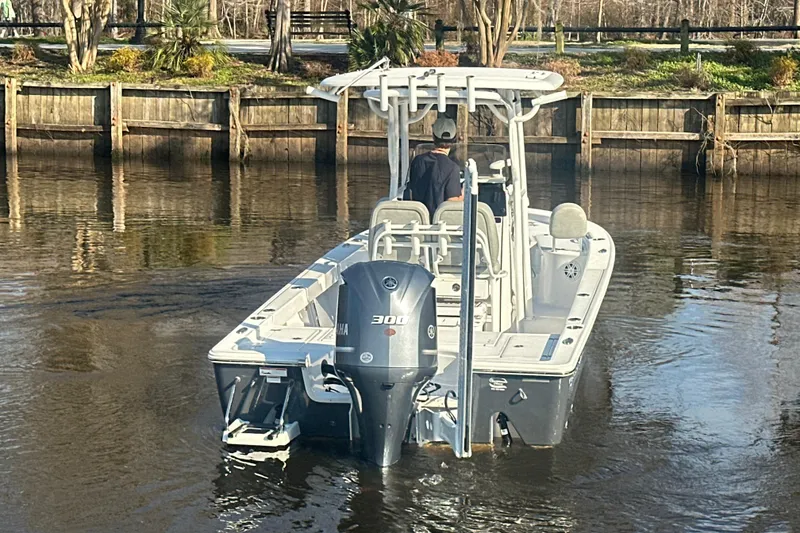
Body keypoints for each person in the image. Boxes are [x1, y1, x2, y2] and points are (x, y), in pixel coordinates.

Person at [405, 115, 463, 218]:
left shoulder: (417, 161)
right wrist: (464, 193)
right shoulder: (453, 168)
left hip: (418, 222)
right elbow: (452, 204)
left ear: (433, 137)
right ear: (454, 139)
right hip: (440, 225)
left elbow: (412, 191)